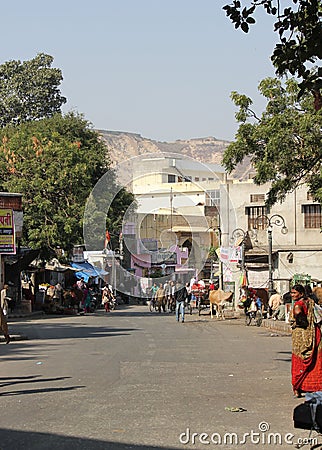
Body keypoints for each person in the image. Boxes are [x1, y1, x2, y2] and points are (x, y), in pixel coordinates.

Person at [290, 284, 322, 398]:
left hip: (301, 336)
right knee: (315, 360)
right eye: (292, 293)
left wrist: (299, 321)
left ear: (301, 293)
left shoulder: (298, 304)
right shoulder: (311, 302)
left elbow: (298, 313)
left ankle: (297, 388)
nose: (292, 295)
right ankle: (315, 386)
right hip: (315, 333)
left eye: (294, 293)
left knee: (300, 361)